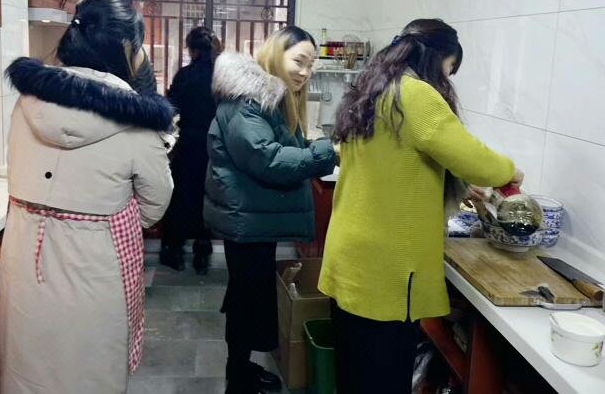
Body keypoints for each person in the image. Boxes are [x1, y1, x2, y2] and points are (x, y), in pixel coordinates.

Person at [318, 19, 524, 394]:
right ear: (435, 58)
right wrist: (509, 172)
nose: (447, 80)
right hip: (385, 270)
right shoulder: (416, 94)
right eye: (449, 69)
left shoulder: (373, 89)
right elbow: (474, 159)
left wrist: (456, 187)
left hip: (352, 257)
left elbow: (395, 165)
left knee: (353, 374)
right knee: (383, 382)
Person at [0, 0, 174, 394]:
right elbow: (155, 203)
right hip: (97, 269)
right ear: (127, 48)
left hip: (23, 263)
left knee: (28, 372)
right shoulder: (137, 122)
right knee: (88, 373)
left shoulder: (27, 102)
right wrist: (106, 215)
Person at [204, 27, 337, 394]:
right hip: (245, 220)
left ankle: (242, 369)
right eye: (299, 61)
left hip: (252, 217)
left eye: (311, 65)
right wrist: (324, 151)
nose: (305, 72)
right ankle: (238, 380)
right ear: (277, 54)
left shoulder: (265, 99)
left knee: (247, 297)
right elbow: (268, 159)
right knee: (245, 300)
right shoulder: (247, 101)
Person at [159, 26, 222, 274]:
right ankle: (202, 254)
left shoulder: (185, 75)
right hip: (215, 146)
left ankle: (174, 252)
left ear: (192, 50)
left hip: (189, 145)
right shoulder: (221, 78)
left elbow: (171, 108)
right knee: (208, 197)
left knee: (181, 198)